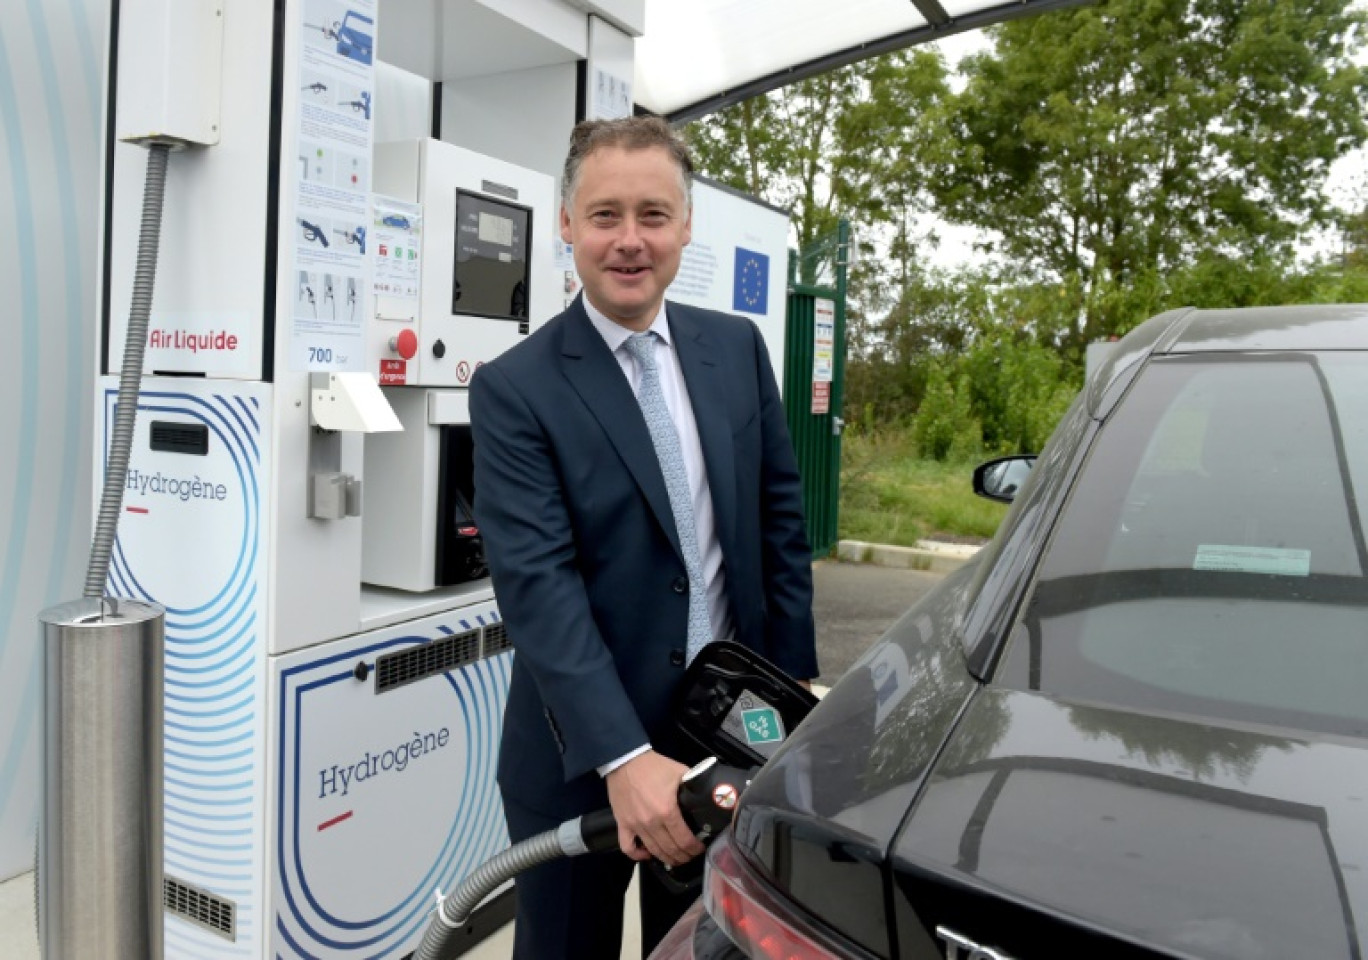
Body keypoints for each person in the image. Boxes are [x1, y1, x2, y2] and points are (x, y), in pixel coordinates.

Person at [469, 115, 817, 960]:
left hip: (723, 740)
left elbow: (780, 524)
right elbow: (539, 588)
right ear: (566, 224)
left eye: (654, 216)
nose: (630, 242)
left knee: (703, 948)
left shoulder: (735, 350)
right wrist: (624, 759)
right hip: (580, 760)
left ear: (686, 225)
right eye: (605, 216)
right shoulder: (516, 387)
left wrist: (797, 690)